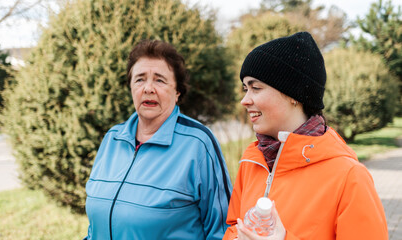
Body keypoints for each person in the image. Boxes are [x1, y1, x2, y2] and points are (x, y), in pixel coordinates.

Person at [223, 32, 388, 240]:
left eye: (256, 88)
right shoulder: (252, 161)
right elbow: (233, 226)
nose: (245, 100)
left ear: (294, 95)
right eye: (245, 88)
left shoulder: (349, 176)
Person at [83, 39, 232, 240]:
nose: (148, 88)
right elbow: (95, 227)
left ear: (177, 91)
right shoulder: (112, 139)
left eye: (159, 80)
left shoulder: (198, 144)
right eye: (140, 79)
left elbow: (224, 230)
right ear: (131, 88)